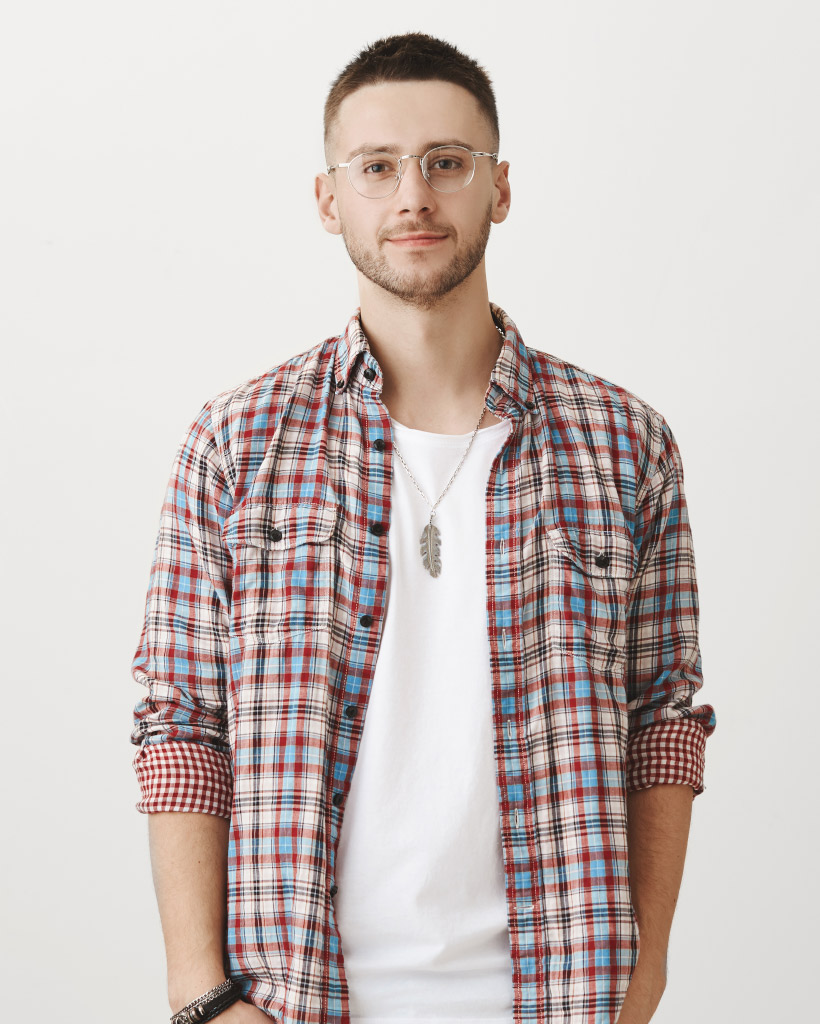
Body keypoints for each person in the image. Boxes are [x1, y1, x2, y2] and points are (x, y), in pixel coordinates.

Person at [130, 31, 716, 1024]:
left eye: (447, 162)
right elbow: (181, 721)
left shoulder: (625, 443)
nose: (413, 195)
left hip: (558, 995)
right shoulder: (238, 442)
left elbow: (662, 715)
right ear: (329, 199)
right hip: (296, 1000)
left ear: (499, 188)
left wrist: (643, 972)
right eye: (378, 167)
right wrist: (199, 994)